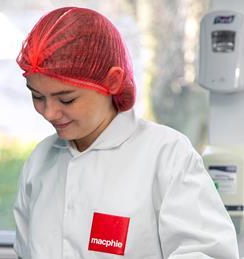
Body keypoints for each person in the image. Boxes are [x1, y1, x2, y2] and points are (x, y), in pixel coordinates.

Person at [13, 6, 239, 259]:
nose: (49, 112)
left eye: (66, 99)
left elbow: (208, 253)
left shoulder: (166, 155)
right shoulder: (41, 161)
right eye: (37, 96)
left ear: (112, 82)